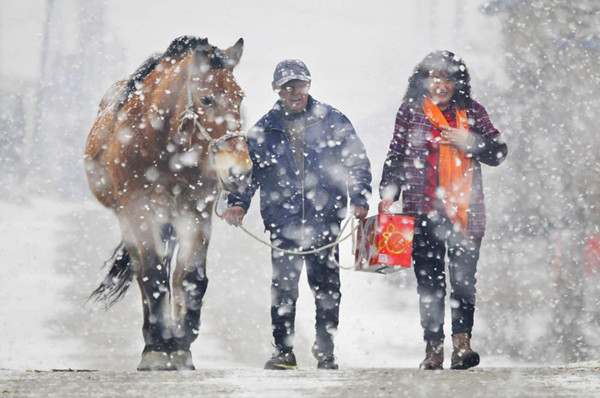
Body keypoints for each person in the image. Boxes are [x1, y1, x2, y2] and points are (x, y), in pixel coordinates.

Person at [223, 59, 372, 370]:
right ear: (277, 89)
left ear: (309, 85)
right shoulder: (263, 130)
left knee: (327, 287)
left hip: (325, 220)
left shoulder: (333, 120)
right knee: (283, 289)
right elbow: (247, 175)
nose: (294, 91)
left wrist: (359, 198)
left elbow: (356, 162)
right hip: (283, 222)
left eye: (299, 85)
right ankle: (284, 351)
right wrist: (238, 202)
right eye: (288, 86)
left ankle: (326, 350)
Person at [378, 51, 508, 370]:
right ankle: (433, 349)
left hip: (466, 213)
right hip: (422, 210)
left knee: (463, 282)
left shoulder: (472, 112)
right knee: (429, 283)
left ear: (458, 82)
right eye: (435, 77)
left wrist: (470, 140)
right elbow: (396, 154)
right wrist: (388, 192)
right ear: (423, 80)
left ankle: (462, 346)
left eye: (449, 78)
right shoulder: (411, 112)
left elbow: (498, 152)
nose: (442, 85)